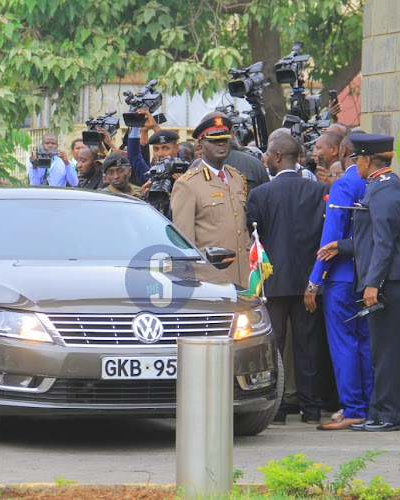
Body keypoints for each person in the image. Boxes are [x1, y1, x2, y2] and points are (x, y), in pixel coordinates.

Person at [318, 133, 400, 432]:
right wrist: (341, 247)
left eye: (356, 159)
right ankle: (382, 411)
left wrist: (372, 283)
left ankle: (392, 414)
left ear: (366, 159)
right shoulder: (377, 187)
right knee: (381, 350)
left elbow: (385, 241)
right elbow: (372, 237)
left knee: (388, 351)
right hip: (388, 277)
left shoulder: (386, 189)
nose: (355, 164)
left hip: (392, 279)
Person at [246, 133, 330, 424]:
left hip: (274, 282)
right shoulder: (319, 191)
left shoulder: (260, 195)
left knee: (275, 347)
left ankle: (278, 408)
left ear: (278, 157)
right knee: (308, 345)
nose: (265, 159)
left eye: (268, 154)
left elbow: (254, 237)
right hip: (310, 281)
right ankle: (312, 409)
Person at [306, 133, 373, 431]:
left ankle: (353, 408)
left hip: (342, 276)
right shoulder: (375, 181)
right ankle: (367, 406)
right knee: (365, 343)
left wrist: (314, 280)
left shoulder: (344, 184)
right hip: (369, 275)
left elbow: (331, 237)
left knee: (344, 344)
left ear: (344, 151)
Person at [171, 115, 250, 286]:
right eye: (214, 141)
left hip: (242, 276)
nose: (221, 144)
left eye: (224, 140)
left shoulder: (237, 178)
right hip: (211, 279)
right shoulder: (187, 184)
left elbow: (242, 230)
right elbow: (184, 242)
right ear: (200, 146)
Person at [126, 108, 182, 185]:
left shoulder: (185, 174)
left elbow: (179, 160)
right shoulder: (151, 177)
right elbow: (134, 157)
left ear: (176, 148)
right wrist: (136, 125)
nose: (160, 154)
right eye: (155, 149)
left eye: (165, 148)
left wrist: (154, 126)